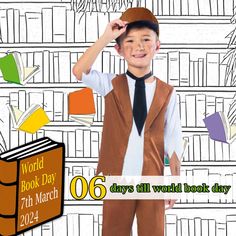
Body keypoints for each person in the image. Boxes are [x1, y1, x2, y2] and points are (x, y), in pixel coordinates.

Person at [73, 7, 183, 236]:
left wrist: (174, 181)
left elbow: (173, 137)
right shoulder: (111, 84)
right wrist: (105, 37)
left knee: (154, 232)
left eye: (146, 39)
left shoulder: (168, 93)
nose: (138, 47)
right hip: (115, 179)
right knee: (114, 232)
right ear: (119, 49)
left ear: (157, 46)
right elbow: (79, 71)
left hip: (152, 180)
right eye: (130, 41)